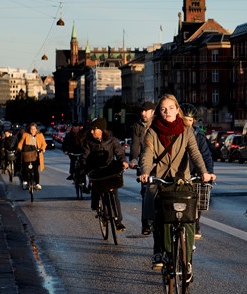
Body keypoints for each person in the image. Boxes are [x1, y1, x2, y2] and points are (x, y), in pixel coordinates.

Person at [137, 94, 215, 277]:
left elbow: (195, 153)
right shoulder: (152, 131)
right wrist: (146, 172)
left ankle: (187, 260)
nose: (167, 112)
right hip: (161, 179)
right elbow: (147, 154)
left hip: (182, 180)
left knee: (188, 218)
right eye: (163, 109)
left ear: (177, 109)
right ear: (159, 111)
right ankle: (158, 251)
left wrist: (204, 172)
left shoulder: (186, 130)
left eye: (171, 108)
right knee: (158, 215)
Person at [82, 117, 129, 231]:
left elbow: (120, 153)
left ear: (101, 130)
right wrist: (88, 173)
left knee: (114, 193)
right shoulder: (89, 142)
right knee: (97, 190)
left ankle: (118, 221)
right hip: (96, 171)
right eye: (91, 129)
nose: (92, 131)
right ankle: (98, 206)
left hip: (110, 170)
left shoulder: (113, 141)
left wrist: (123, 162)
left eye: (94, 129)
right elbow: (85, 158)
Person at [180, 103, 213, 240]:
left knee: (196, 202)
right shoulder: (175, 135)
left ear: (193, 121)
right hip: (177, 174)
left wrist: (208, 173)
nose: (186, 123)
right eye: (183, 119)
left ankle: (196, 223)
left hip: (193, 174)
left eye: (189, 120)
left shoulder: (199, 138)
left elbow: (206, 157)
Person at [129, 101, 156, 235]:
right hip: (144, 163)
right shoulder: (137, 127)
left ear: (153, 112)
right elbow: (135, 145)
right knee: (145, 194)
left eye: (146, 111)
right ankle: (145, 225)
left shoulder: (158, 124)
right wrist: (134, 159)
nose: (143, 113)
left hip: (158, 163)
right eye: (142, 111)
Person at [17, 123, 47, 190]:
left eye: (34, 129)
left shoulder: (40, 135)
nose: (32, 130)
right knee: (25, 168)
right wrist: (19, 149)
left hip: (36, 154)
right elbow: (20, 143)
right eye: (31, 129)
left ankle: (37, 184)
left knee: (36, 169)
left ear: (36, 129)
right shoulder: (25, 135)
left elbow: (44, 144)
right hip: (27, 154)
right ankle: (25, 182)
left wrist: (43, 148)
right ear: (29, 129)